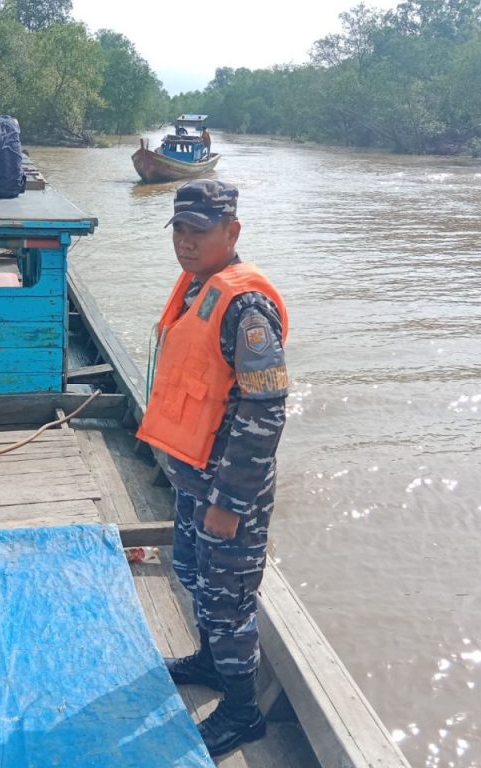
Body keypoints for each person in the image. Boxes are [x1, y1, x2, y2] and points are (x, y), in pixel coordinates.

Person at [136, 179, 289, 758]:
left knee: (229, 604)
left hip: (228, 494)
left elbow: (266, 409)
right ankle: (208, 659)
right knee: (197, 580)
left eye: (199, 231)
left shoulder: (246, 308)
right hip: (192, 480)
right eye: (178, 228)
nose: (186, 241)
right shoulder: (198, 288)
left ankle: (245, 713)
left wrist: (228, 503)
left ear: (232, 231)